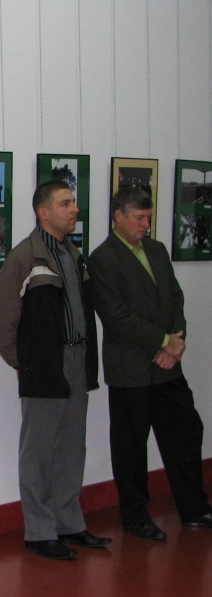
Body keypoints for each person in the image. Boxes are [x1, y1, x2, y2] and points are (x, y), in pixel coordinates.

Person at [0, 181, 111, 560]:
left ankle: (69, 523)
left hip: (76, 361)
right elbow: (0, 315)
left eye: (73, 202)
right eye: (65, 203)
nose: (74, 209)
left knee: (72, 446)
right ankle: (39, 532)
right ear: (44, 212)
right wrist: (21, 361)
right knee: (38, 451)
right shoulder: (26, 256)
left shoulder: (73, 254)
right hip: (43, 365)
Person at [88, 187, 212, 540]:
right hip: (131, 369)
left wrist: (176, 339)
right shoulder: (102, 259)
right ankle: (136, 516)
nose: (146, 224)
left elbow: (175, 296)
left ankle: (194, 507)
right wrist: (162, 341)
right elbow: (116, 316)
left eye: (148, 217)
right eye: (139, 218)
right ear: (118, 216)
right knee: (130, 446)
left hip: (168, 366)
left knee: (186, 432)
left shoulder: (156, 250)